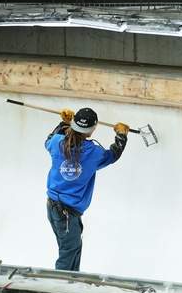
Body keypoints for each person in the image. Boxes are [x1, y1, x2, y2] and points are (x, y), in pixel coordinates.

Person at [45, 106, 130, 271]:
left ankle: (71, 282)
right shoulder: (93, 152)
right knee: (68, 252)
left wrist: (63, 124)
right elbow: (113, 155)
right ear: (93, 128)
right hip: (67, 213)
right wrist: (121, 135)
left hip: (53, 206)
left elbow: (49, 139)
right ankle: (58, 287)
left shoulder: (57, 143)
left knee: (74, 248)